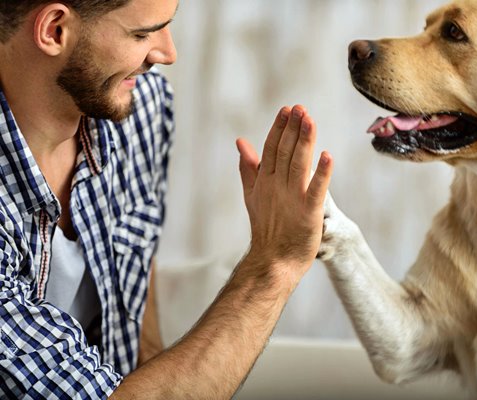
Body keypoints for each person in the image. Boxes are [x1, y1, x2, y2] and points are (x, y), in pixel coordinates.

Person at [0, 0, 333, 398]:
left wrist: (151, 358)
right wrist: (275, 264)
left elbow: (136, 285)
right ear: (54, 30)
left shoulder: (139, 107)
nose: (167, 53)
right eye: (141, 34)